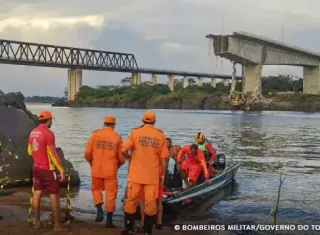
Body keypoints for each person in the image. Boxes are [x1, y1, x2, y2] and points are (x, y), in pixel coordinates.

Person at [121, 110, 169, 235]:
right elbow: (164, 158)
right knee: (150, 204)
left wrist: (129, 157)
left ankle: (129, 229)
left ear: (143, 120)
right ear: (154, 121)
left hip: (135, 175)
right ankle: (148, 231)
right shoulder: (160, 135)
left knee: (131, 201)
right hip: (152, 177)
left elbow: (123, 150)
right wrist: (163, 175)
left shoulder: (135, 133)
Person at [27, 111, 68, 231]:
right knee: (54, 195)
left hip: (36, 167)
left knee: (37, 193)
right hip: (47, 169)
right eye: (51, 120)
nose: (51, 122)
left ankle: (37, 222)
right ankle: (57, 225)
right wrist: (61, 170)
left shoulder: (32, 132)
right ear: (49, 120)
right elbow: (53, 154)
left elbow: (29, 151)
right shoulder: (48, 133)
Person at [84, 116, 125, 228]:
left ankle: (99, 211)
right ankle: (109, 221)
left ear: (104, 123)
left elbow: (87, 154)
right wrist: (117, 167)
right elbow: (122, 159)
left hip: (96, 169)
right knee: (111, 194)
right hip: (110, 171)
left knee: (96, 190)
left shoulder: (95, 135)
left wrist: (92, 164)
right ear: (113, 125)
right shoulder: (117, 137)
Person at [138, 158, 164, 231]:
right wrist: (163, 175)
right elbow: (164, 161)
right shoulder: (158, 148)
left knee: (142, 200)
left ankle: (143, 222)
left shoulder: (142, 148)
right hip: (157, 173)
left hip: (144, 174)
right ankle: (159, 222)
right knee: (159, 200)